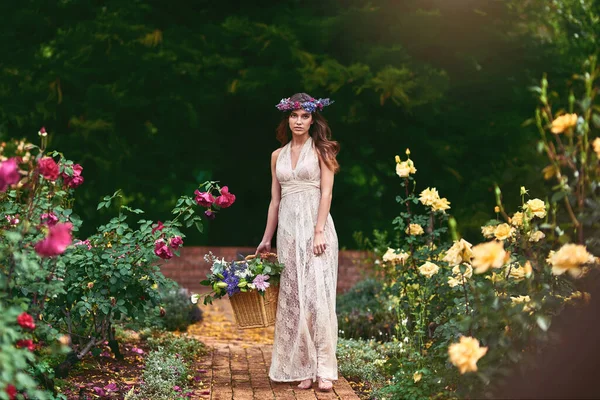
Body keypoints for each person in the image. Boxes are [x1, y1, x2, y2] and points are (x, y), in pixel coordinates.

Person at [255, 93, 340, 392]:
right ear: (287, 119)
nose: (299, 121)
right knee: (296, 300)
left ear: (313, 120)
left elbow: (327, 194)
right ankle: (304, 366)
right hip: (289, 232)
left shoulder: (322, 151)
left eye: (305, 116)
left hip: (316, 231)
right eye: (294, 116)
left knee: (318, 299)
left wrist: (318, 231)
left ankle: (324, 369)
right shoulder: (276, 156)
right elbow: (275, 201)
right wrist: (267, 238)